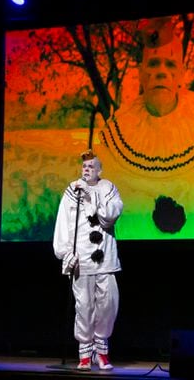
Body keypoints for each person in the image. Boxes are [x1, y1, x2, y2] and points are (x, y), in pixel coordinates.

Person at [94, 16, 194, 239]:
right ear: (142, 74)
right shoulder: (117, 133)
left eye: (170, 64)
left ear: (180, 75)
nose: (161, 72)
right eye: (154, 64)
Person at [53, 149, 123, 371]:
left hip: (105, 258)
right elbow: (63, 222)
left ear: (99, 170)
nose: (87, 170)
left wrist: (92, 198)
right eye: (84, 166)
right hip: (81, 258)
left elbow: (110, 216)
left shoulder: (108, 188)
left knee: (108, 303)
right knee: (83, 305)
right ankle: (84, 353)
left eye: (91, 166)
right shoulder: (72, 190)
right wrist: (65, 252)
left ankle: (101, 351)